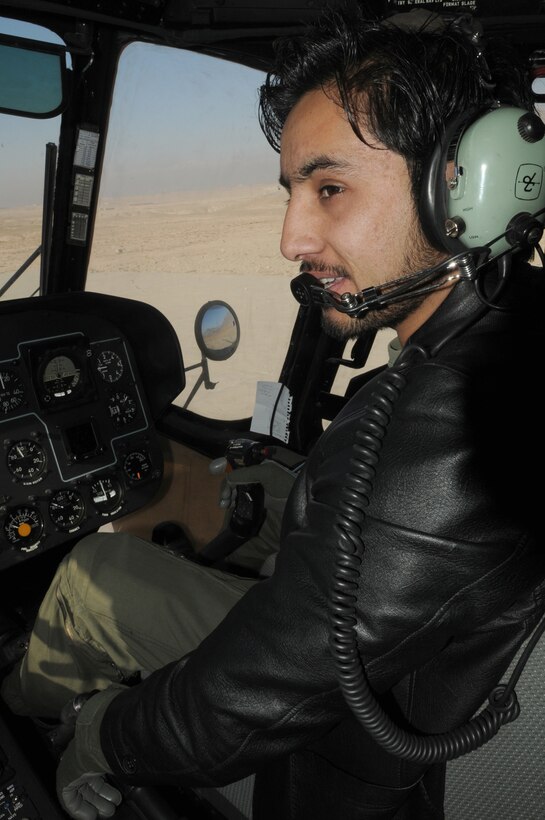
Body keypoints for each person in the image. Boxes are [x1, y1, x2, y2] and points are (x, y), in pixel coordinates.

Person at [3, 5, 545, 819]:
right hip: (397, 689)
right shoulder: (509, 333)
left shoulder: (451, 431)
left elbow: (255, 692)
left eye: (329, 188)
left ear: (464, 185)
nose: (291, 237)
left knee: (90, 575)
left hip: (340, 777)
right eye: (292, 191)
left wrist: (106, 734)